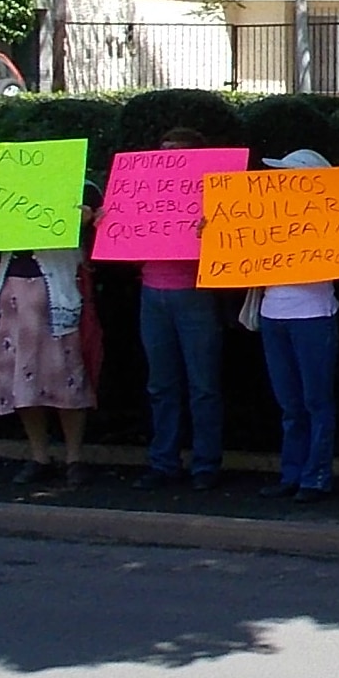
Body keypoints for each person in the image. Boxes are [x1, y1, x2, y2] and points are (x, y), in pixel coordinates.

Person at [0, 170, 99, 491]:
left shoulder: (82, 191)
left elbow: (99, 236)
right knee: (21, 379)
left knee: (67, 376)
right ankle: (40, 456)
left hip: (58, 293)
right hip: (11, 295)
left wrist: (87, 222)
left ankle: (74, 457)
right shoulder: (3, 190)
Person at [136, 126, 233, 491]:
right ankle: (164, 462)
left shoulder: (216, 198)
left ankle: (206, 464)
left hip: (195, 293)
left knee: (203, 384)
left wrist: (214, 230)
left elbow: (235, 245)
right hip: (151, 291)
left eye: (178, 152)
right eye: (164, 151)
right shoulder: (144, 187)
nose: (168, 158)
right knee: (161, 384)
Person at [254, 145, 339, 501]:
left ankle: (315, 477)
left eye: (288, 174)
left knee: (315, 402)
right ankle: (293, 474)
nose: (280, 180)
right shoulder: (266, 215)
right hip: (272, 316)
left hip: (313, 317)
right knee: (290, 405)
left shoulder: (333, 218)